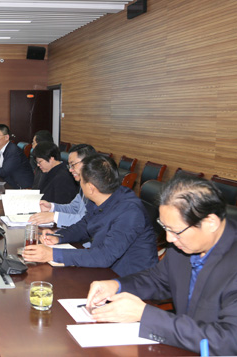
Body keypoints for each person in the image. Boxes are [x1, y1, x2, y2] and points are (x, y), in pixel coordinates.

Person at [86, 177, 237, 356]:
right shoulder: (183, 246)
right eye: (165, 227)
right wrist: (116, 285)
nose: (169, 239)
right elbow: (157, 279)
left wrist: (146, 315)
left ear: (210, 223)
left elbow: (229, 340)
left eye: (176, 231)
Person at [23, 154, 158, 277]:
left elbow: (104, 255)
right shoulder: (104, 197)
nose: (80, 185)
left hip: (129, 279)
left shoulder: (130, 213)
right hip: (104, 270)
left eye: (81, 180)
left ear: (91, 188)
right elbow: (84, 225)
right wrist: (58, 237)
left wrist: (52, 254)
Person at [29, 144, 96, 229]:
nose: (70, 170)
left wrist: (54, 216)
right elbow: (73, 208)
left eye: (73, 165)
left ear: (88, 163)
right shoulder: (84, 184)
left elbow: (87, 221)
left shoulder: (98, 188)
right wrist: (51, 207)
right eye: (69, 165)